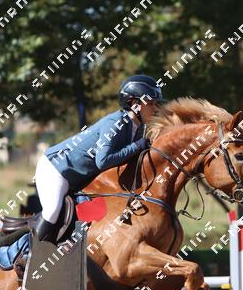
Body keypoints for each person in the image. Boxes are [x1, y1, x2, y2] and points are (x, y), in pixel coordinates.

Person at [32, 74, 164, 242]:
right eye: (151, 103)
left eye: (156, 103)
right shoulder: (115, 122)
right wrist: (137, 146)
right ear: (134, 104)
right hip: (57, 169)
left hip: (79, 176)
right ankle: (32, 253)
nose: (155, 108)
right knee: (52, 211)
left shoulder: (138, 128)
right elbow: (102, 161)